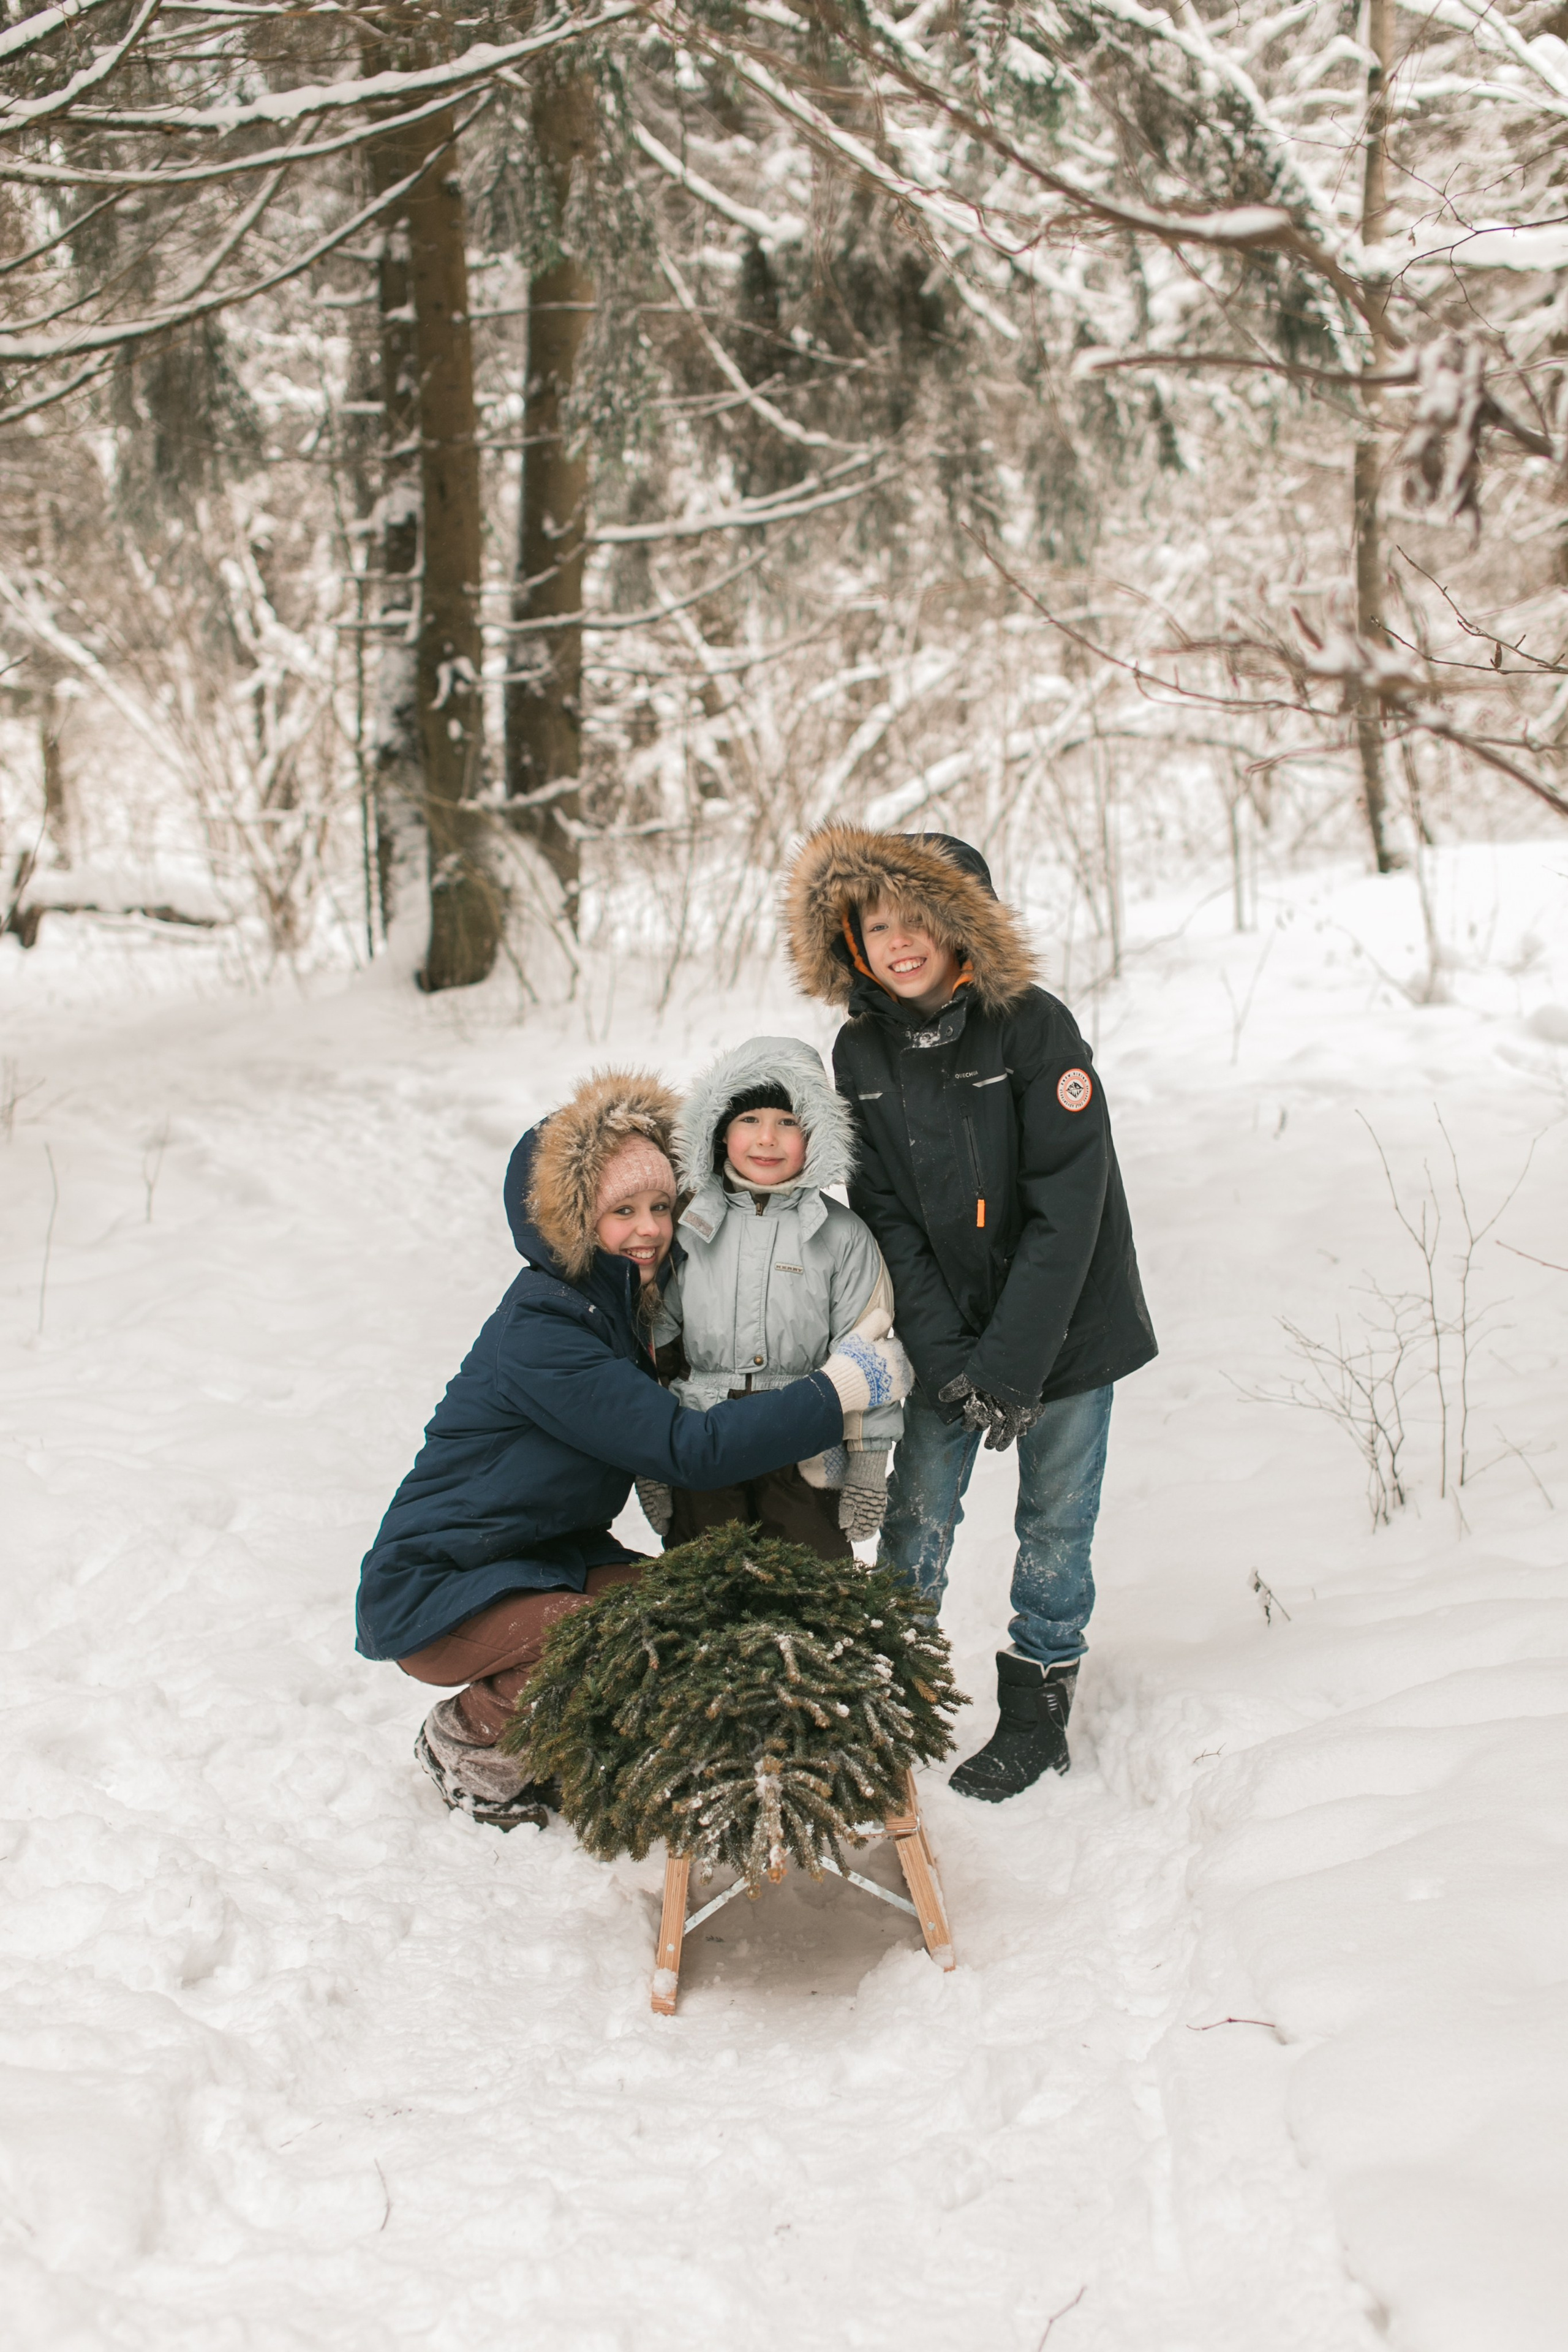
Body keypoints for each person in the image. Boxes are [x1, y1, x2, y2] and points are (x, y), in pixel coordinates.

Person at [355, 1068, 910, 1827]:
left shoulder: (617, 1310)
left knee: (690, 1617)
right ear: (570, 1220)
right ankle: (469, 1742)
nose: (649, 1228)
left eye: (660, 1206)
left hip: (540, 1559)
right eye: (621, 1211)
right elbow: (687, 1447)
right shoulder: (544, 1333)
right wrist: (836, 1389)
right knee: (619, 1637)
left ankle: (550, 1729)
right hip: (443, 1588)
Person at [784, 826, 1157, 1803]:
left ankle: (1038, 1705)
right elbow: (887, 1215)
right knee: (918, 1509)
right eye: (877, 925)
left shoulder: (1033, 1029)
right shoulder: (860, 1048)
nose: (899, 943)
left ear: (963, 926)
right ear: (852, 943)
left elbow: (1067, 1213)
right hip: (946, 1334)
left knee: (1055, 1519)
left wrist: (1013, 1368)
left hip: (1066, 1328)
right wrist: (953, 1359)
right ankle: (890, 1697)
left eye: (919, 919)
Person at [636, 1035, 904, 1562]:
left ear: (817, 1135)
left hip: (806, 1441)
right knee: (707, 1588)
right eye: (749, 1121)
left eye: (788, 1123)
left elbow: (869, 1352)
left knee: (811, 1589)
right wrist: (652, 1458)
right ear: (719, 1131)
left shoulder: (841, 1235)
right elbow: (654, 1351)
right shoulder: (690, 1227)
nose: (767, 1140)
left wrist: (869, 1462)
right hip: (702, 1436)